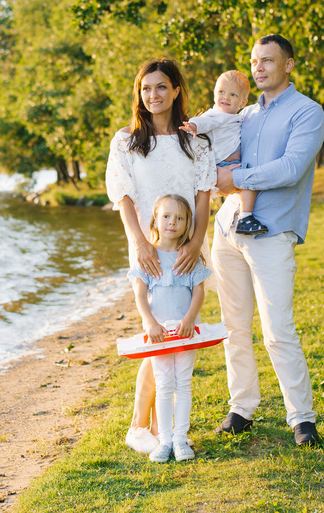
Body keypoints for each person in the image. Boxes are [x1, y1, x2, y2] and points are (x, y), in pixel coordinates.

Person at [211, 34, 324, 447]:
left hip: (272, 232)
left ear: (289, 65)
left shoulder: (307, 113)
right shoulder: (245, 115)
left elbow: (291, 168)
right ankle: (242, 408)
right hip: (226, 231)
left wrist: (235, 179)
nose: (258, 68)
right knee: (234, 327)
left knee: (278, 329)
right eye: (255, 61)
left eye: (268, 61)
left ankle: (302, 419)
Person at [105, 57, 216, 454]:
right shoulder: (127, 141)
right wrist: (139, 243)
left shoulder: (197, 143)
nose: (153, 95)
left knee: (180, 338)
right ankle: (139, 426)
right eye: (146, 88)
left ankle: (163, 428)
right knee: (157, 338)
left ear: (175, 91)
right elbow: (123, 197)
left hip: (186, 249)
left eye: (161, 87)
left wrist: (195, 245)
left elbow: (204, 199)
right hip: (148, 249)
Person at [128, 194, 210, 462]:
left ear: (188, 224)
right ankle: (164, 440)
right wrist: (150, 322)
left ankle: (180, 438)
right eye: (166, 216)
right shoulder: (148, 257)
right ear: (155, 219)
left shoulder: (189, 257)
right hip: (159, 334)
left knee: (183, 384)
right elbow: (140, 295)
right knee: (163, 384)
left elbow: (199, 291)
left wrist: (189, 319)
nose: (172, 222)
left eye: (179, 218)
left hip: (186, 331)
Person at [180, 70, 268, 235]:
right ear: (214, 94)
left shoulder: (238, 117)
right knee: (249, 179)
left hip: (232, 164)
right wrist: (193, 125)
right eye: (221, 92)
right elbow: (204, 121)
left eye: (233, 95)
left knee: (249, 181)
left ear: (242, 102)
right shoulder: (216, 115)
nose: (225, 97)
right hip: (222, 164)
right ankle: (245, 217)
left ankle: (243, 216)